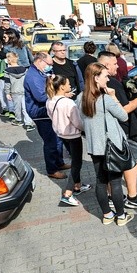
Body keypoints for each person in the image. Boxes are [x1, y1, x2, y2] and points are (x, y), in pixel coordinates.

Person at [77, 62, 135, 226]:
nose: (108, 79)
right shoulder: (105, 100)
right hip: (112, 147)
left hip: (94, 147)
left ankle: (107, 215)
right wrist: (114, 97)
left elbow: (81, 121)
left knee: (101, 182)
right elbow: (124, 116)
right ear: (96, 78)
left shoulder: (80, 98)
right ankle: (121, 216)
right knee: (115, 183)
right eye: (105, 76)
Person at [96, 52, 137, 210]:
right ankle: (132, 197)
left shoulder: (91, 88)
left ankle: (114, 196)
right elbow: (123, 110)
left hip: (104, 134)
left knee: (109, 166)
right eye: (115, 63)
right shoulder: (111, 84)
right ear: (106, 66)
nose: (118, 66)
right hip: (119, 132)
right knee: (131, 160)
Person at [46, 74, 90, 206]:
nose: (70, 85)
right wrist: (85, 129)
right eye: (68, 83)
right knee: (77, 164)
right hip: (74, 136)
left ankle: (77, 185)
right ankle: (68, 193)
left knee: (74, 161)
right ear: (61, 86)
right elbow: (77, 122)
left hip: (61, 134)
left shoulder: (50, 100)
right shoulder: (68, 103)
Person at [25, 51, 70, 178]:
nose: (50, 66)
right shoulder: (33, 76)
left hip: (49, 110)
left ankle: (59, 162)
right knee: (51, 141)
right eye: (49, 64)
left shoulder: (40, 72)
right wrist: (61, 95)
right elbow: (40, 97)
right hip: (40, 113)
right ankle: (52, 170)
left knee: (58, 138)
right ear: (40, 61)